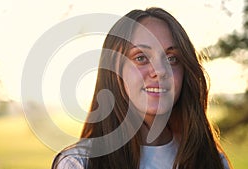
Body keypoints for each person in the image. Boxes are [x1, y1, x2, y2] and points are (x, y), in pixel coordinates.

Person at [52, 7, 233, 169]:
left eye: (172, 59)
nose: (161, 71)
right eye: (141, 58)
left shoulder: (213, 161)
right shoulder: (79, 163)